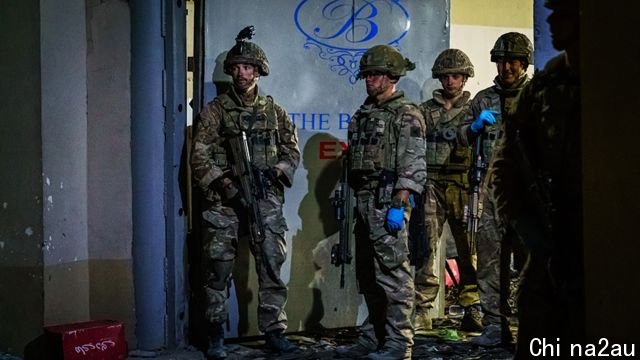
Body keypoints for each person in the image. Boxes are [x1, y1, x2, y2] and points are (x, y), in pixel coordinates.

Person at [190, 26, 300, 359]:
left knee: (270, 265)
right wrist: (223, 182)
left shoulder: (275, 111)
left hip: (264, 199)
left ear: (259, 70)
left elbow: (291, 150)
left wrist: (279, 170)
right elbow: (199, 153)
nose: (241, 72)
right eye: (237, 67)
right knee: (218, 269)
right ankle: (215, 334)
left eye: (248, 67)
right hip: (225, 202)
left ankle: (274, 331)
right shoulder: (216, 110)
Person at [490, 0, 582, 357]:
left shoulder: (618, 78)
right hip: (552, 234)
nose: (552, 21)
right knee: (539, 325)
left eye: (564, 14)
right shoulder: (544, 87)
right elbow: (508, 161)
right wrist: (524, 222)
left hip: (606, 238)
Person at [336, 45, 427, 360]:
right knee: (368, 273)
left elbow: (413, 165)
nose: (369, 80)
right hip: (362, 202)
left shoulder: (406, 114)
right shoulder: (362, 114)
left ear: (391, 76)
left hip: (387, 200)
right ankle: (374, 333)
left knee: (394, 274)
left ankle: (400, 342)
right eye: (367, 75)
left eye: (375, 74)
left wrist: (398, 205)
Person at [457, 32, 534, 347]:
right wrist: (472, 127)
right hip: (490, 194)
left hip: (528, 193)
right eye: (501, 61)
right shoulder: (483, 99)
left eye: (512, 61)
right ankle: (494, 327)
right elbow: (460, 136)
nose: (506, 68)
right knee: (489, 263)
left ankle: (532, 328)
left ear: (523, 63)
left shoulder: (536, 96)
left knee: (531, 263)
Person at [414, 49, 483, 334]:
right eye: (446, 76)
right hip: (430, 183)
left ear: (465, 78)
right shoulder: (424, 110)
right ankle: (421, 309)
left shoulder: (475, 110)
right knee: (425, 248)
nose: (450, 81)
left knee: (469, 250)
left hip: (463, 184)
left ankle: (473, 306)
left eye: (456, 75)